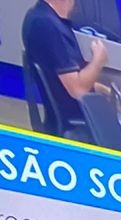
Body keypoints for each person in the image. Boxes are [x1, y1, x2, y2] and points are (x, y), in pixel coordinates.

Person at [21, 0, 107, 135]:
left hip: (75, 119)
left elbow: (65, 79)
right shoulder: (48, 26)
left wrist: (109, 92)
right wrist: (98, 60)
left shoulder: (40, 17)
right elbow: (77, 90)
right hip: (78, 127)